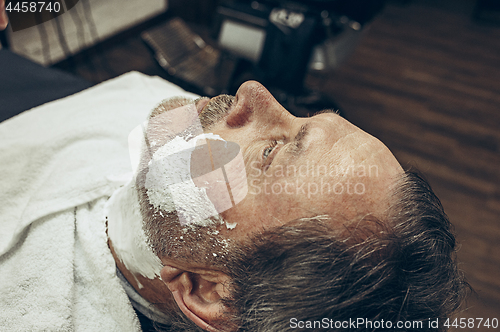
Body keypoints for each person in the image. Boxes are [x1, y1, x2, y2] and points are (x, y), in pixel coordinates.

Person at [106, 80, 469, 332]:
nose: (252, 91)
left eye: (269, 151)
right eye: (303, 118)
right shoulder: (178, 125)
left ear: (209, 291)